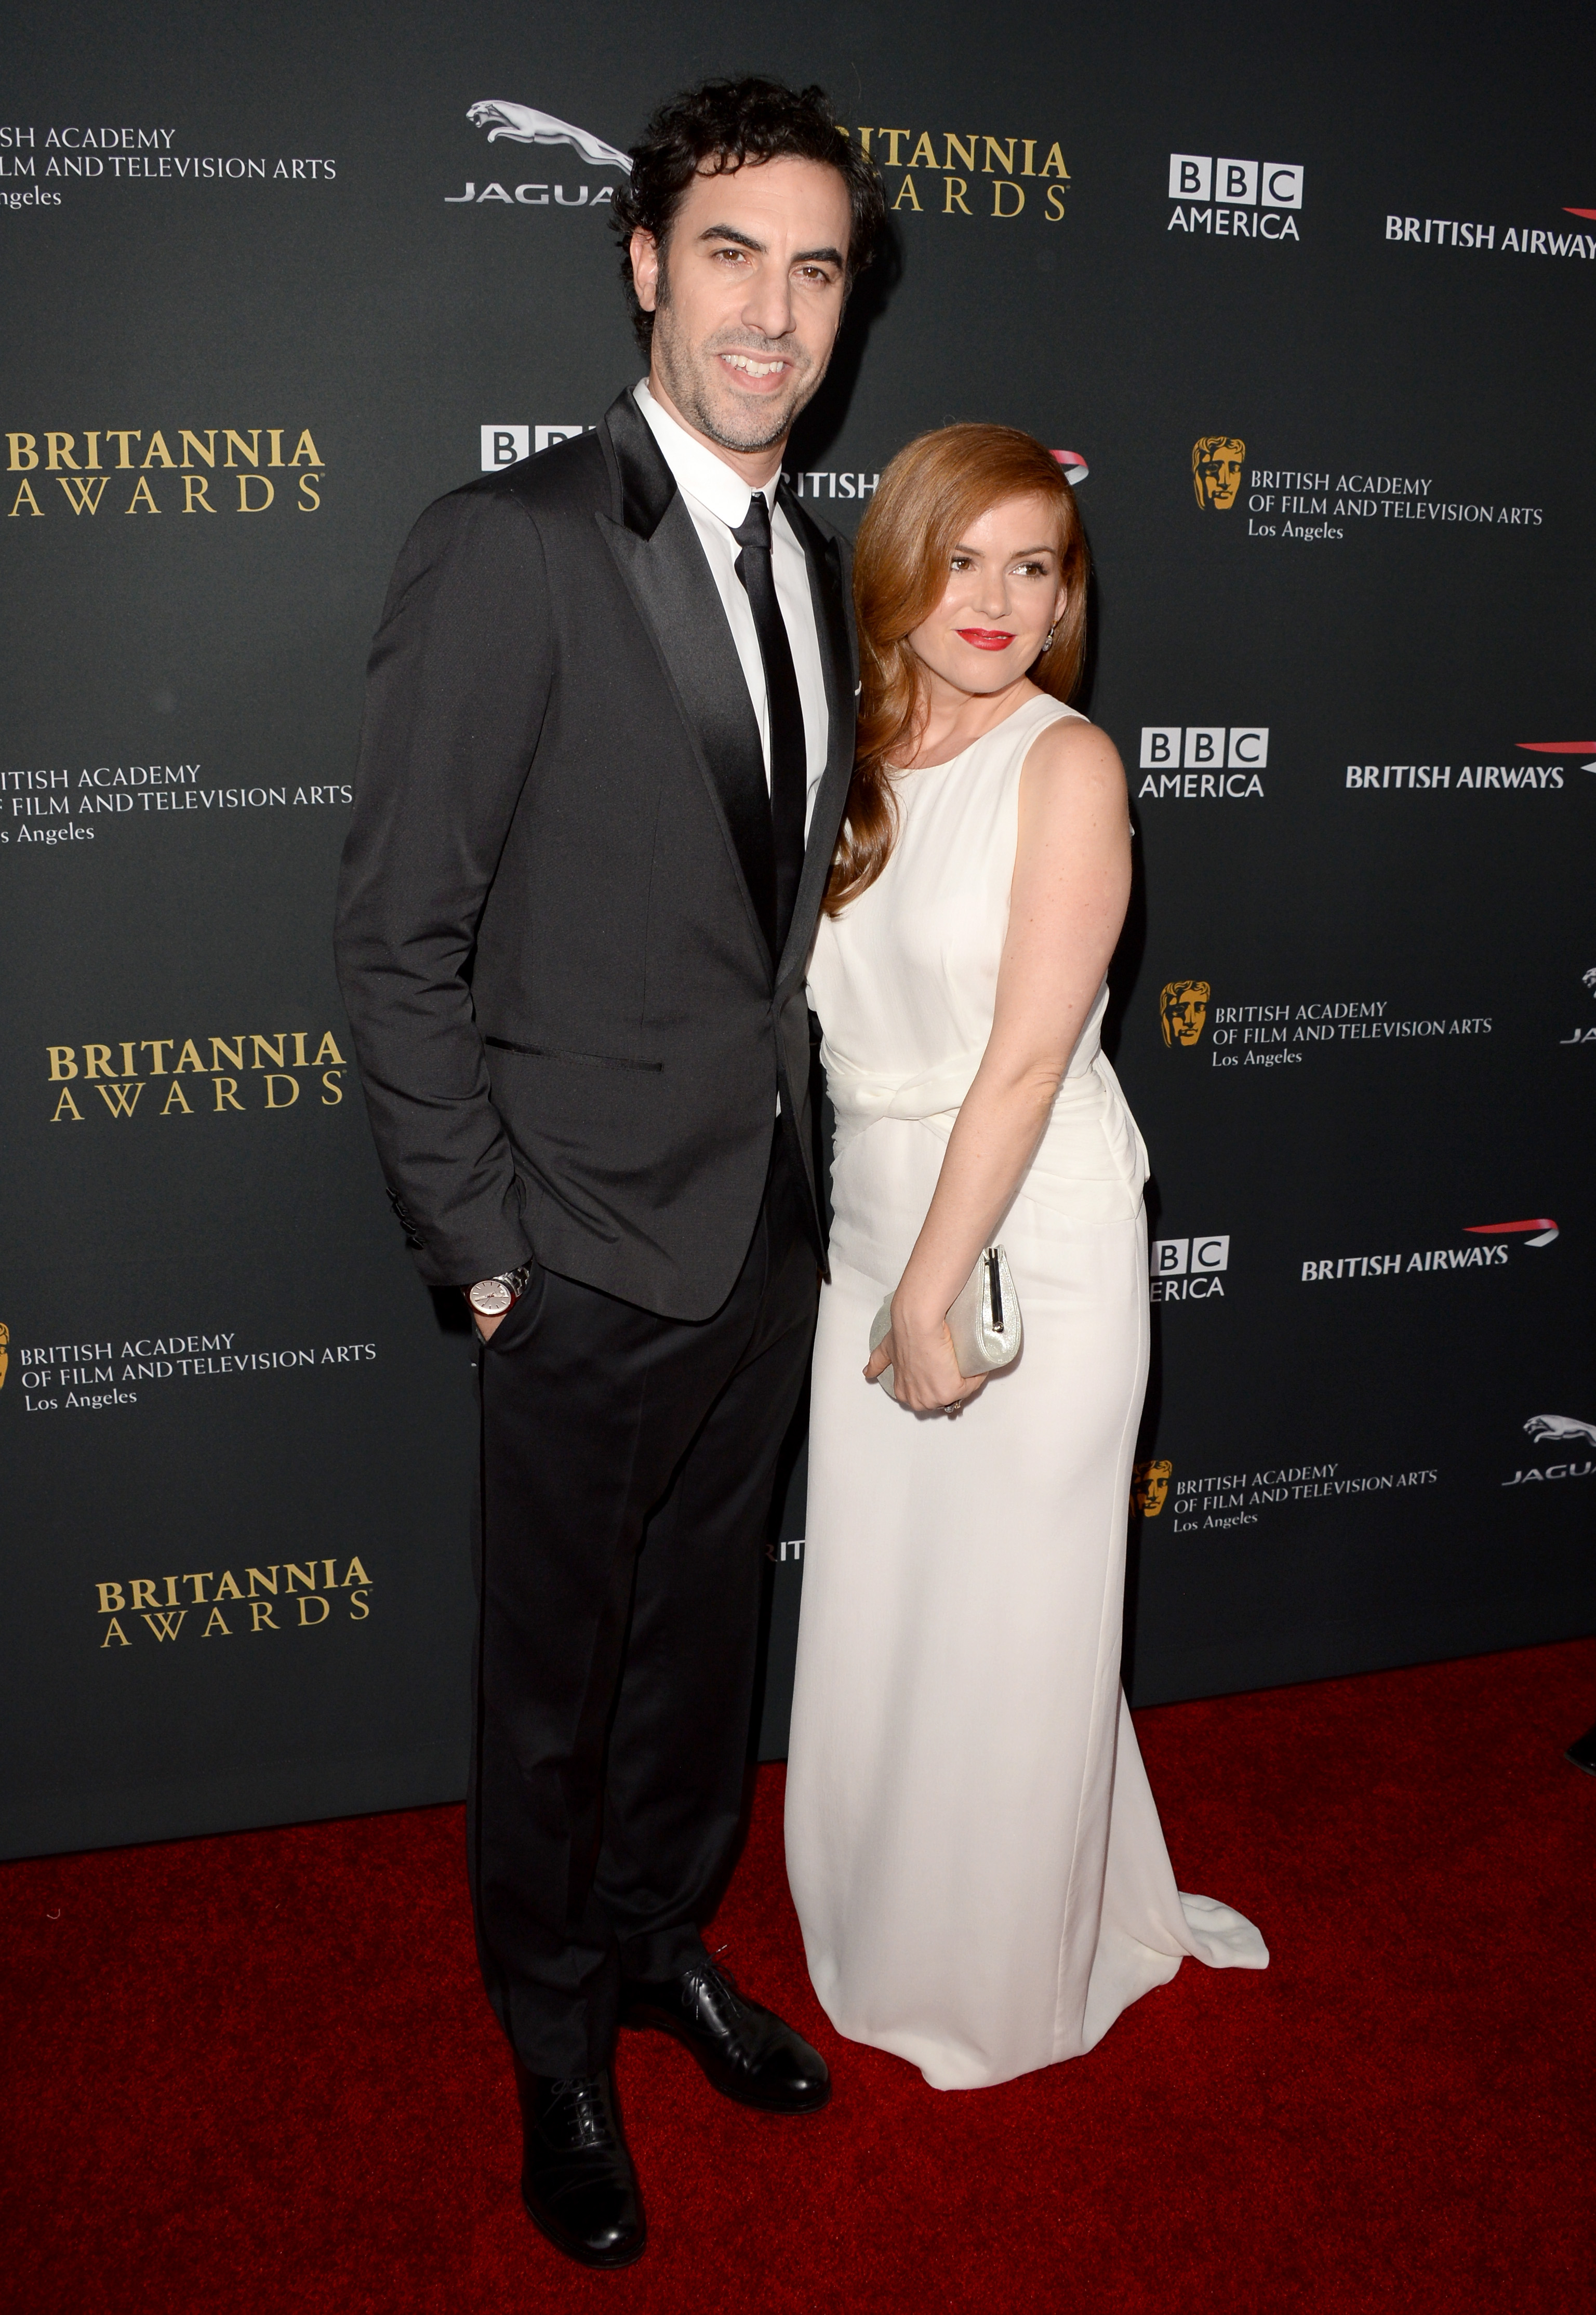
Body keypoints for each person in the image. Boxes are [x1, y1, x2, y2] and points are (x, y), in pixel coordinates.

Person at [335, 78, 884, 2267]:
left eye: (815, 269)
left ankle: (659, 1943)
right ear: (646, 263)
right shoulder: (517, 543)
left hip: (759, 1231)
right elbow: (399, 937)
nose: (772, 312)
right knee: (555, 1685)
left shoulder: (815, 569)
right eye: (730, 254)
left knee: (692, 1660)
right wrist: (487, 1256)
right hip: (570, 1248)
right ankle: (553, 2036)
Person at [784, 424, 1269, 2092]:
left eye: (1033, 567)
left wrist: (930, 1290)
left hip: (1025, 1242)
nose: (994, 600)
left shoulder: (1067, 767)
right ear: (895, 575)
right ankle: (889, 1921)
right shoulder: (851, 759)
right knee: (893, 1602)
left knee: (1014, 1620)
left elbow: (1026, 1060)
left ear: (1069, 598)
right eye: (961, 560)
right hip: (874, 1220)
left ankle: (1001, 1974)